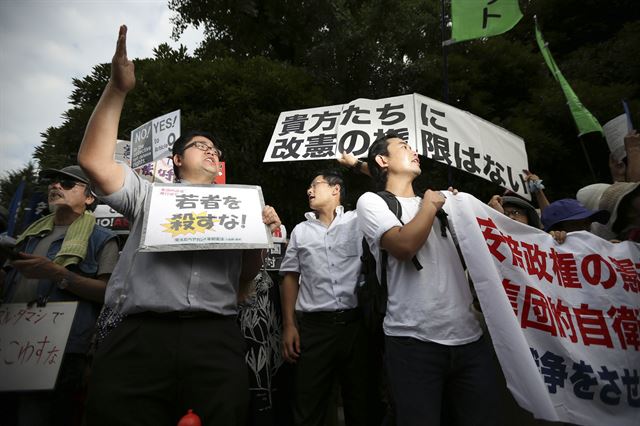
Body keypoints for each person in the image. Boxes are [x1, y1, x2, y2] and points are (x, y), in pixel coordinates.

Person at [77, 25, 281, 426]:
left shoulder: (239, 205)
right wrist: (117, 89)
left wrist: (260, 236)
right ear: (176, 160)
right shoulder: (148, 195)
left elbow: (246, 275)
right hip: (140, 337)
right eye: (199, 146)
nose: (211, 151)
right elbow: (95, 164)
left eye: (214, 149)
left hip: (215, 336)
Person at [356, 133, 499, 426]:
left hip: (469, 341)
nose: (415, 152)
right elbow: (403, 246)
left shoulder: (444, 205)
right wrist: (431, 206)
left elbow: (487, 251)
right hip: (412, 342)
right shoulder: (371, 202)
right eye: (405, 147)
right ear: (383, 161)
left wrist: (493, 217)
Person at [0, 164, 119, 426]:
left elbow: (108, 294)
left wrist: (57, 274)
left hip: (60, 350)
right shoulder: (27, 237)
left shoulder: (102, 239)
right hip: (12, 341)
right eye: (53, 182)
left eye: (66, 183)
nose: (55, 186)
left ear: (89, 197)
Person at [279, 170, 373, 426]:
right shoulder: (300, 231)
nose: (309, 190)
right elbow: (289, 276)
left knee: (362, 403)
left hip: (357, 327)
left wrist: (356, 165)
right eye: (308, 186)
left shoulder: (358, 221)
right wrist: (289, 325)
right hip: (314, 329)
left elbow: (385, 190)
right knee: (309, 403)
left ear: (336, 190)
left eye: (315, 185)